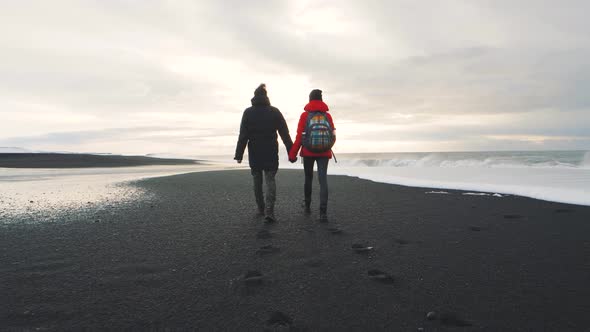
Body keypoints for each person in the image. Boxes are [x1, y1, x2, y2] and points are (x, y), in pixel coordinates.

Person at [234, 84, 295, 222]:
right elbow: (285, 134)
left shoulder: (248, 112)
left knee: (257, 180)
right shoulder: (274, 111)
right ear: (266, 96)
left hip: (255, 152)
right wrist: (291, 153)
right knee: (270, 180)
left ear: (254, 96)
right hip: (270, 151)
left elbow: (243, 135)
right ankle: (269, 212)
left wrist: (239, 154)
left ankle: (260, 208)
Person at [288, 89, 336, 222]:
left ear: (310, 100)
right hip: (324, 152)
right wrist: (327, 146)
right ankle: (323, 212)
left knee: (308, 178)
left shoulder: (305, 116)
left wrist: (292, 154)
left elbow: (299, 137)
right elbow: (333, 135)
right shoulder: (328, 116)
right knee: (323, 180)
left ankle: (308, 206)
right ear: (321, 99)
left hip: (308, 152)